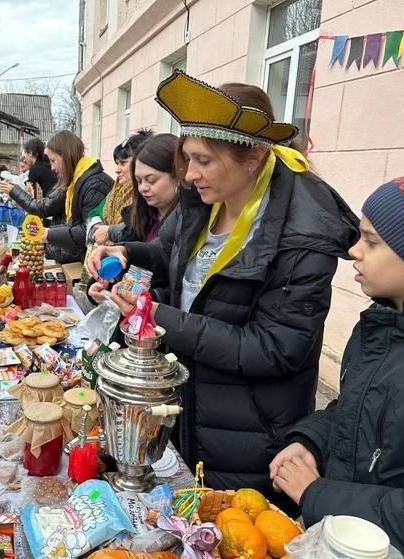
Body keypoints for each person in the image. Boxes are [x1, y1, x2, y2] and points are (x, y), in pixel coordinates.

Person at [88, 73, 359, 511]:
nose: (190, 174)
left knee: (233, 528)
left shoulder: (302, 235)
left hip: (250, 435)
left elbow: (275, 348)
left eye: (203, 160)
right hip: (189, 410)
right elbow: (166, 252)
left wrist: (162, 319)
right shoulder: (203, 201)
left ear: (252, 156)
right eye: (186, 159)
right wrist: (125, 249)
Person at [270, 169, 404, 559]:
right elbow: (356, 408)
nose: (354, 250)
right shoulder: (384, 322)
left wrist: (317, 494)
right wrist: (311, 442)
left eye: (371, 241)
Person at [42, 130, 113, 263]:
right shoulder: (79, 181)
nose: (51, 168)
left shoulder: (94, 184)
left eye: (53, 160)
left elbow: (91, 230)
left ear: (65, 156)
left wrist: (50, 234)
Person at [90, 130, 153, 244]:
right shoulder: (115, 191)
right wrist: (98, 227)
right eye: (117, 163)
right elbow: (94, 213)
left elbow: (137, 229)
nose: (117, 170)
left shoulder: (146, 195)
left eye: (123, 163)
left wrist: (109, 231)